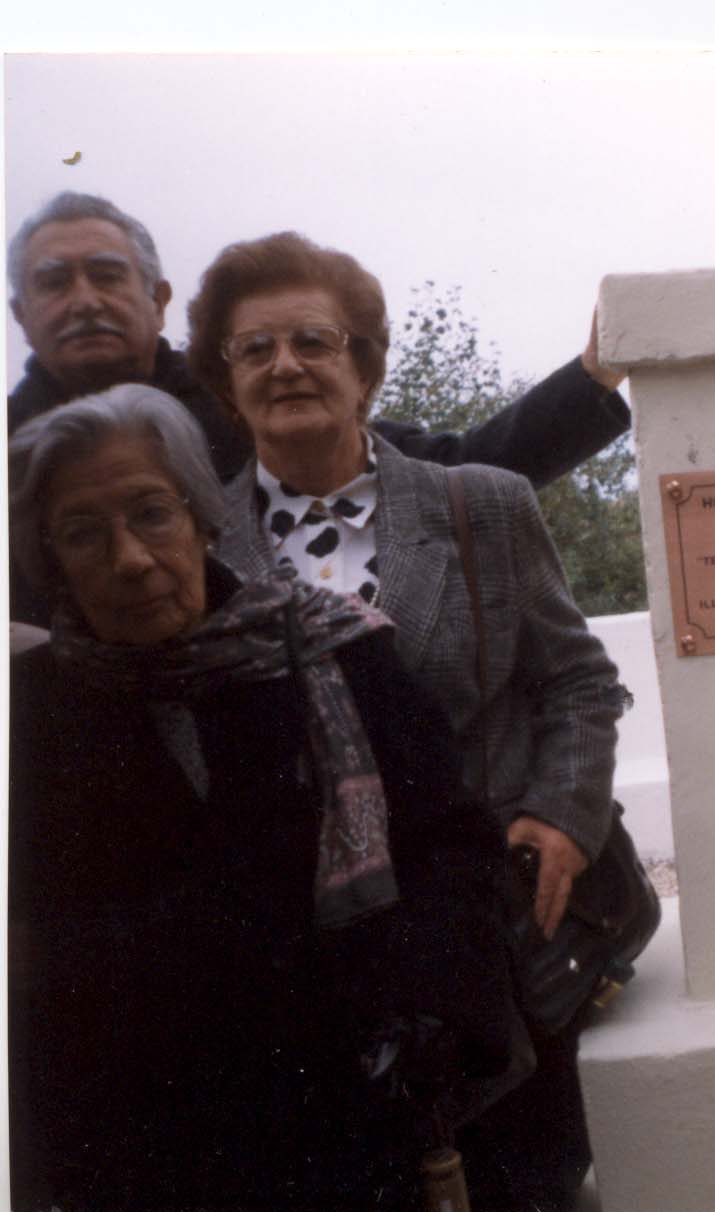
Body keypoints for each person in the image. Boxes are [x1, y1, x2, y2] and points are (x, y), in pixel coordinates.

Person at [194, 230, 627, 1211]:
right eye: (252, 348)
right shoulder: (191, 543)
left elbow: (579, 684)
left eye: (313, 338)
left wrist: (563, 813)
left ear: (366, 365)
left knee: (531, 1183)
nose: (285, 364)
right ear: (226, 385)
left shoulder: (485, 507)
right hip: (308, 976)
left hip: (493, 945)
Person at [8, 385, 523, 1210]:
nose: (131, 558)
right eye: (82, 533)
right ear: (49, 558)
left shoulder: (336, 653)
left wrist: (436, 1012)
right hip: (146, 1153)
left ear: (200, 516)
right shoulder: (27, 719)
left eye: (150, 512)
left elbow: (451, 847)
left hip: (353, 1128)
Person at [8, 190, 631, 625]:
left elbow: (457, 471)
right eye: (55, 281)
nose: (83, 299)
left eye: (107, 275)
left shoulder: (243, 403)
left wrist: (592, 376)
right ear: (20, 313)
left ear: (158, 297)